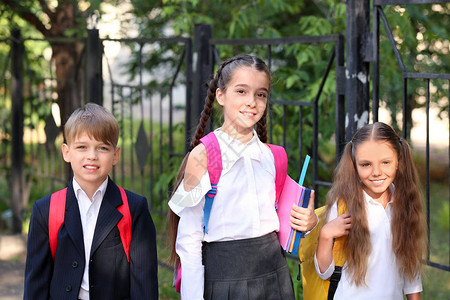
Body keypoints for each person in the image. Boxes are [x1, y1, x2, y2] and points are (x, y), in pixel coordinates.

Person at [168, 54, 317, 299]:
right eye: (241, 91)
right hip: (225, 279)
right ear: (220, 96)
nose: (252, 102)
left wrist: (307, 224)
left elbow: (284, 221)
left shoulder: (273, 156)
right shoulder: (203, 155)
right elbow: (189, 238)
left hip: (275, 277)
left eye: (261, 94)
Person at [24, 103, 158, 300]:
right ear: (66, 152)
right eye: (82, 147)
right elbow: (36, 285)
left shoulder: (134, 208)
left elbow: (144, 286)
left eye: (102, 148)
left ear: (115, 155)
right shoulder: (46, 210)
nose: (92, 156)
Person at [315, 122, 426, 300]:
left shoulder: (405, 204)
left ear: (398, 161)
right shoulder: (344, 205)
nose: (376, 172)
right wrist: (326, 235)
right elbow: (324, 273)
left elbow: (410, 267)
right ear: (354, 165)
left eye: (385, 162)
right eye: (366, 164)